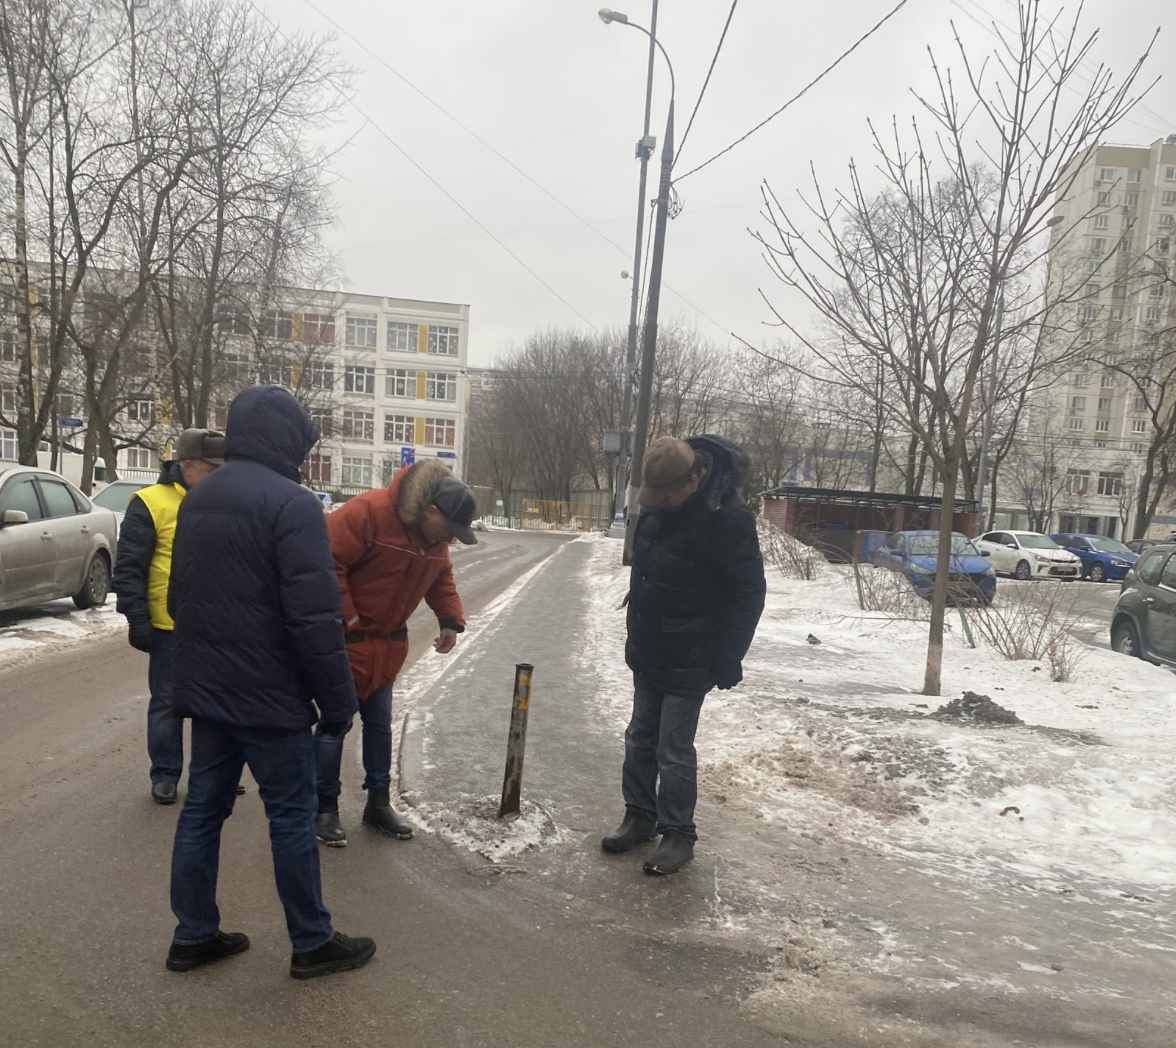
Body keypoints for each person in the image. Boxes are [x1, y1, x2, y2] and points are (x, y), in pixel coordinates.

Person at [165, 385, 374, 979]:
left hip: (209, 693)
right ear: (286, 440)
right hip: (270, 698)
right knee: (290, 813)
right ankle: (312, 941)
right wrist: (338, 703)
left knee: (202, 810)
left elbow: (181, 598)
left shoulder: (198, 500)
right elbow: (314, 619)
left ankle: (193, 934)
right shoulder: (294, 504)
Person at [602, 434, 766, 875]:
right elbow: (645, 572)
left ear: (695, 478)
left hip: (694, 650)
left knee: (673, 748)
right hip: (650, 643)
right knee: (639, 735)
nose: (663, 501)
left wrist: (730, 655)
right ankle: (639, 814)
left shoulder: (729, 520)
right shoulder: (660, 504)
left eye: (669, 492)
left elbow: (748, 592)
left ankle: (678, 834)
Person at [314, 459, 474, 847]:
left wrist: (450, 619)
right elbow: (324, 561)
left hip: (388, 645)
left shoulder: (433, 541)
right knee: (335, 726)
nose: (450, 540)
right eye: (450, 530)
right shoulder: (368, 512)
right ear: (431, 511)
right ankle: (323, 807)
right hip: (347, 643)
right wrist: (348, 620)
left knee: (380, 725)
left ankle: (378, 803)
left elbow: (441, 576)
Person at [112, 428, 225, 805]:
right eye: (213, 469)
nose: (221, 476)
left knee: (216, 702)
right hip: (167, 626)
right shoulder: (149, 502)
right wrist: (137, 619)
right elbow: (129, 568)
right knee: (166, 702)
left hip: (217, 625)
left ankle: (214, 769)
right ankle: (165, 774)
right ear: (187, 466)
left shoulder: (224, 500)